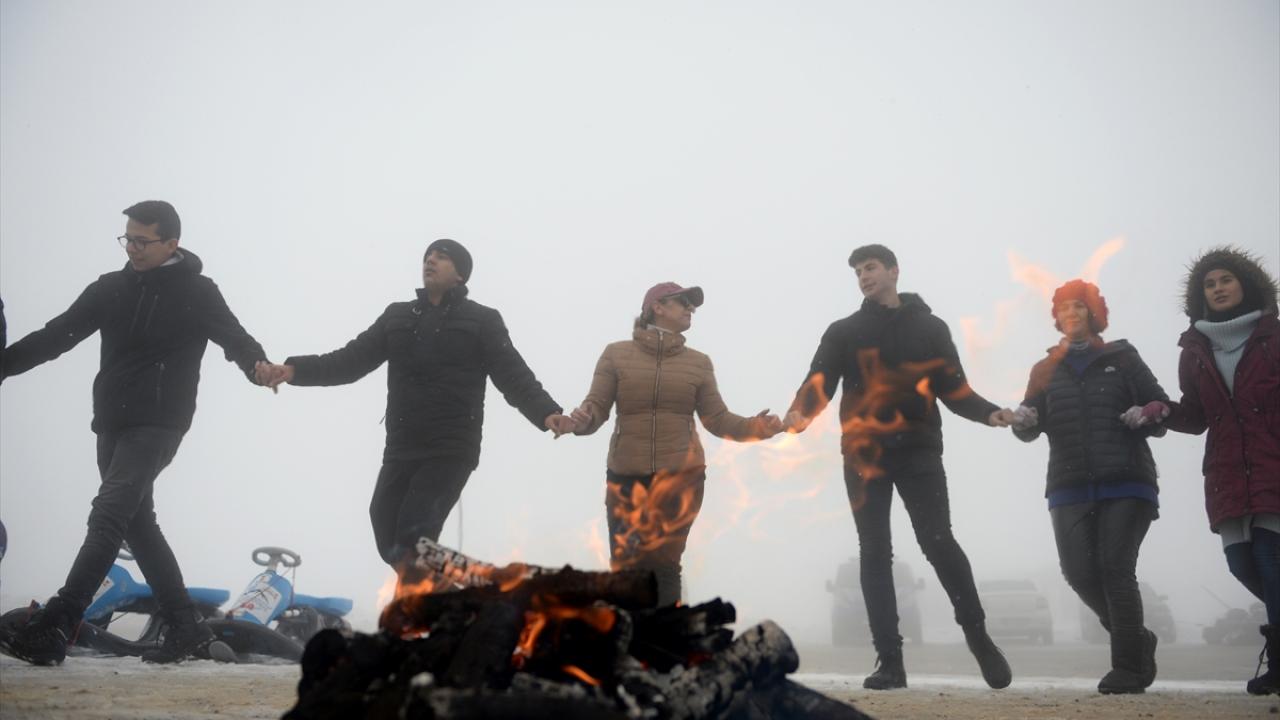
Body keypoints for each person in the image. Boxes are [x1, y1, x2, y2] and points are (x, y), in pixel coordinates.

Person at [0, 200, 272, 665]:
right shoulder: (111, 288)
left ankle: (59, 623)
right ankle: (185, 628)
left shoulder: (198, 292)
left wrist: (257, 366)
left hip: (161, 422)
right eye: (127, 238)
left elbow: (235, 338)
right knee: (138, 524)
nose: (132, 248)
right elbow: (56, 335)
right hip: (111, 422)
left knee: (108, 513)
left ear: (172, 243)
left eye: (142, 241)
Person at [257, 239, 573, 586]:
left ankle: (483, 586)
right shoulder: (398, 316)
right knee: (386, 528)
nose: (430, 261)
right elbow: (349, 361)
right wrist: (293, 371)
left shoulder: (481, 320)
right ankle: (465, 590)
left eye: (441, 257)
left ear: (461, 275)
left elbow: (513, 375)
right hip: (402, 444)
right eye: (427, 256)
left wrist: (547, 413)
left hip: (450, 446)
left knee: (411, 536)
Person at [783, 244, 1015, 690]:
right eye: (856, 272)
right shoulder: (843, 331)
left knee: (938, 541)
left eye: (870, 267)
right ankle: (890, 661)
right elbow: (818, 383)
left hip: (919, 451)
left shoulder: (930, 327)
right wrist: (799, 415)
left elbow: (954, 388)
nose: (863, 276)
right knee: (874, 552)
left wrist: (990, 413)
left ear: (893, 271)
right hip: (863, 455)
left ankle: (979, 637)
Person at [569, 283, 781, 605]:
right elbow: (595, 406)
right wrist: (582, 421)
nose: (689, 310)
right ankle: (630, 646)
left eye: (691, 307)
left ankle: (665, 649)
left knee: (664, 567)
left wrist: (758, 427)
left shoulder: (699, 363)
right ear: (657, 306)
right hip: (626, 476)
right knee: (625, 568)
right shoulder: (616, 354)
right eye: (682, 303)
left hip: (681, 478)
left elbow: (717, 419)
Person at [1009, 279, 1169, 694]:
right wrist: (1023, 422)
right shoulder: (1044, 369)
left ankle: (1129, 668)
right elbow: (1031, 423)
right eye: (1063, 308)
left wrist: (1147, 411)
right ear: (1056, 318)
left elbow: (1161, 405)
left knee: (1116, 569)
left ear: (1094, 313)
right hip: (1068, 483)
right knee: (1079, 573)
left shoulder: (1124, 357)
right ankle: (1137, 638)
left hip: (1127, 481)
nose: (1071, 314)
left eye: (1079, 306)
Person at [1163, 247, 1280, 695]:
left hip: (1273, 463)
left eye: (1225, 280)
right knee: (1241, 564)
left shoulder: (1272, 337)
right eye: (1209, 284)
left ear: (1245, 284)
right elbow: (1195, 417)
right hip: (1226, 472)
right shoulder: (1194, 351)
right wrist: (1161, 413)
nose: (1218, 288)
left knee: (1271, 560)